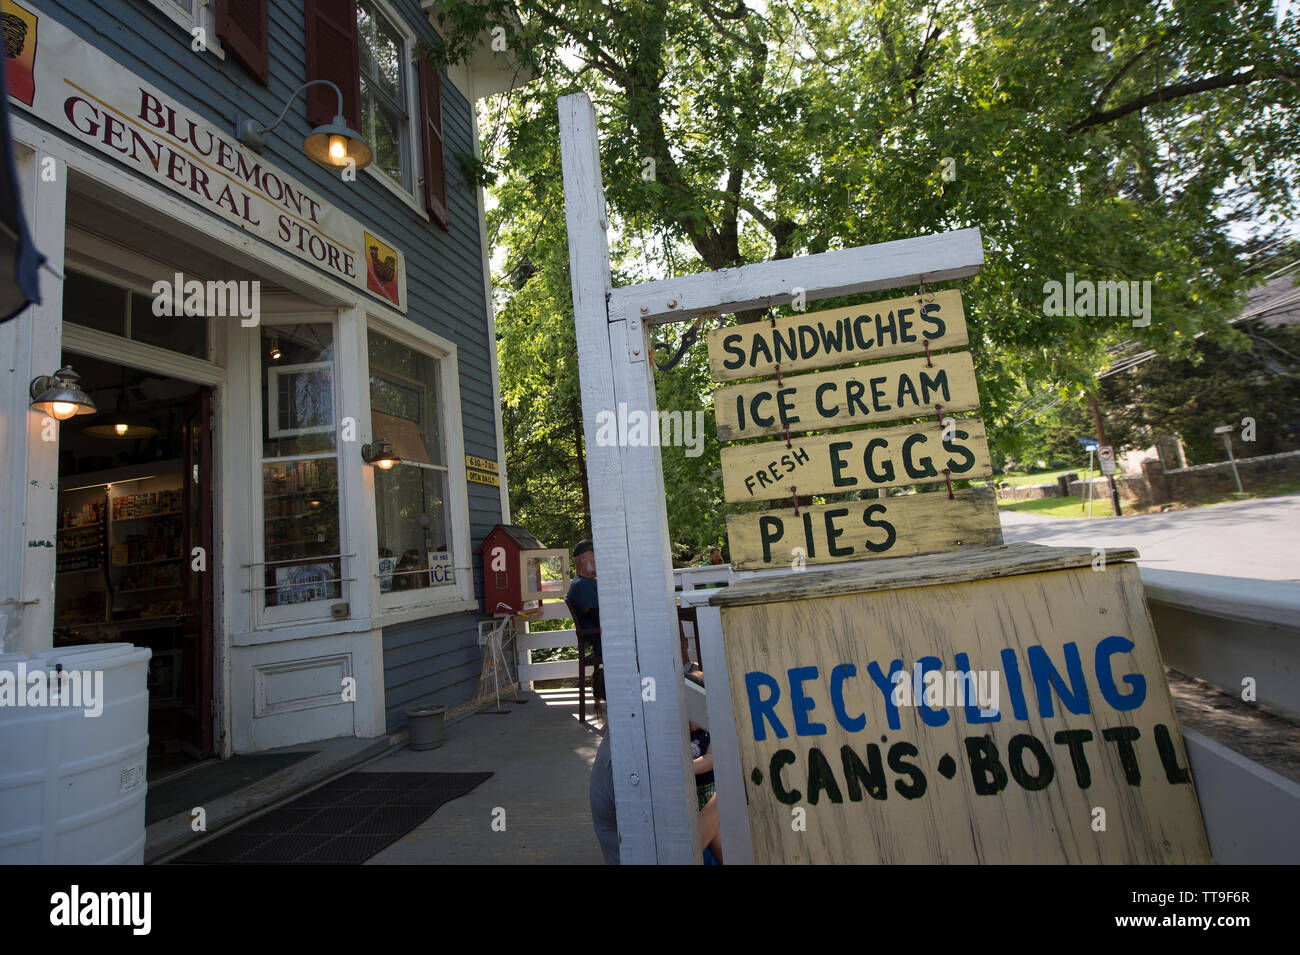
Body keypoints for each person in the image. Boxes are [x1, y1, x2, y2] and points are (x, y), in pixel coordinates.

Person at [566, 539, 599, 653]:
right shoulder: (581, 584)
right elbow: (596, 616)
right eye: (596, 557)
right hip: (602, 640)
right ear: (583, 559)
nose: (599, 561)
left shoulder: (586, 581)